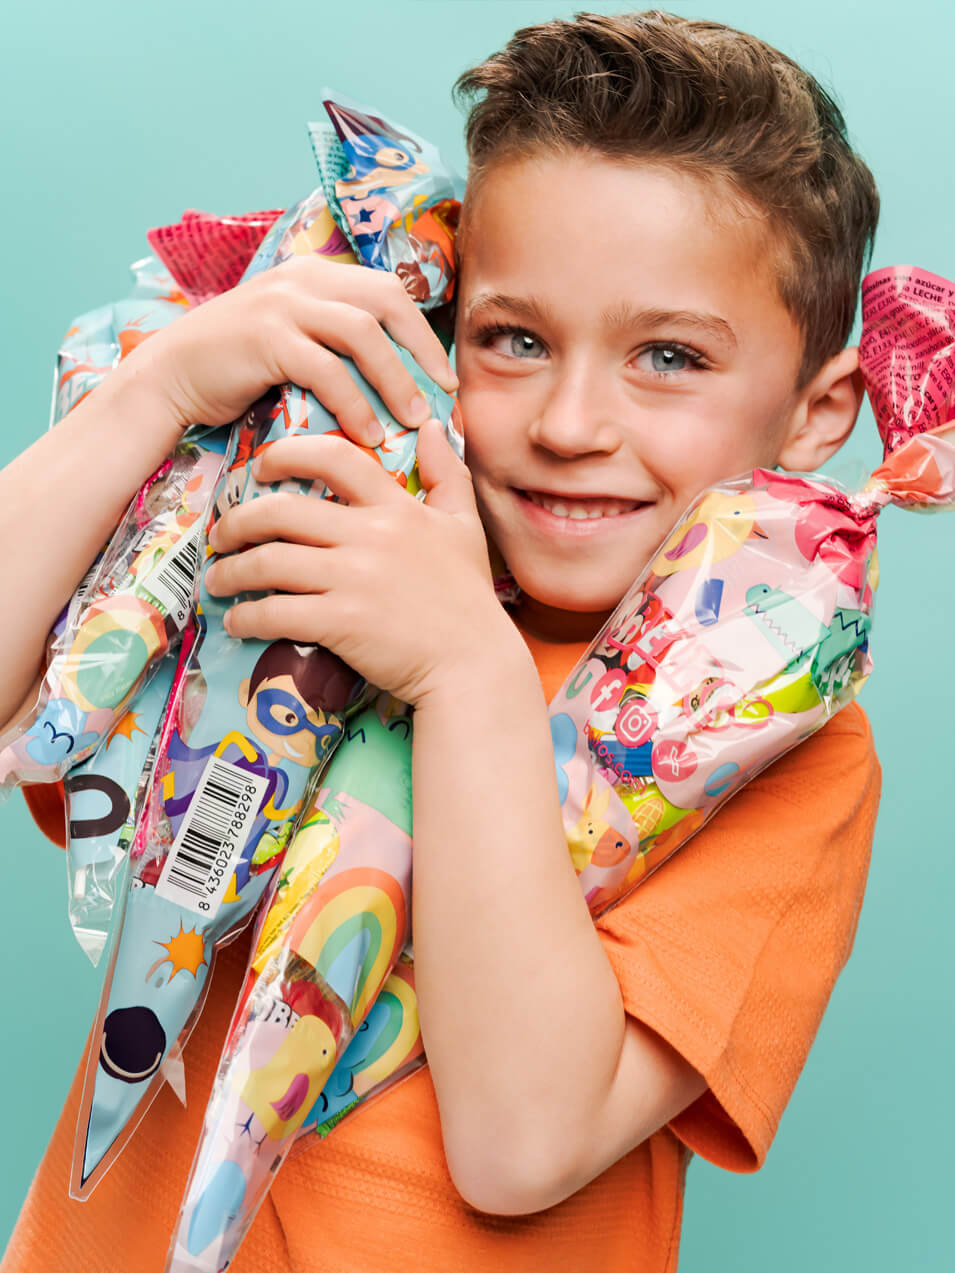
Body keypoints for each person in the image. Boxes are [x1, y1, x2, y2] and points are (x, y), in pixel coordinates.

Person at [0, 11, 881, 1272]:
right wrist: (161, 395)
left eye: (669, 356)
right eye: (514, 339)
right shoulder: (315, 541)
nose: (572, 421)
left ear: (818, 411)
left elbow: (520, 1142)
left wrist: (466, 667)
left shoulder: (796, 751)